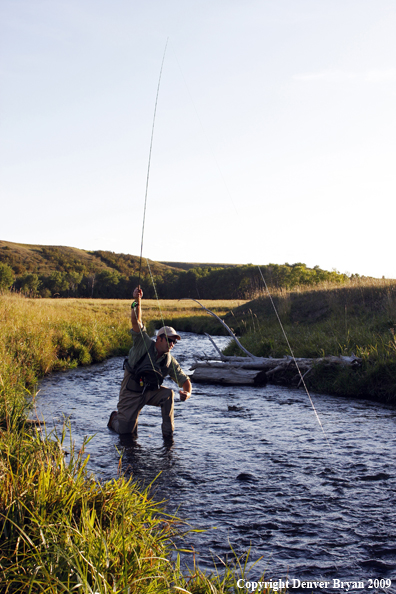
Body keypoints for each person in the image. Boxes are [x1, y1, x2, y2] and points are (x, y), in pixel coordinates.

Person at [107, 287, 192, 439]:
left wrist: (188, 392)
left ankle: (168, 437)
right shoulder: (143, 342)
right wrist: (137, 300)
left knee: (168, 394)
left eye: (174, 342)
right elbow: (136, 321)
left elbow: (185, 380)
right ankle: (115, 419)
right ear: (159, 338)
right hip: (131, 391)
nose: (172, 344)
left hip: (150, 392)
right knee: (126, 432)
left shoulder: (169, 361)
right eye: (169, 340)